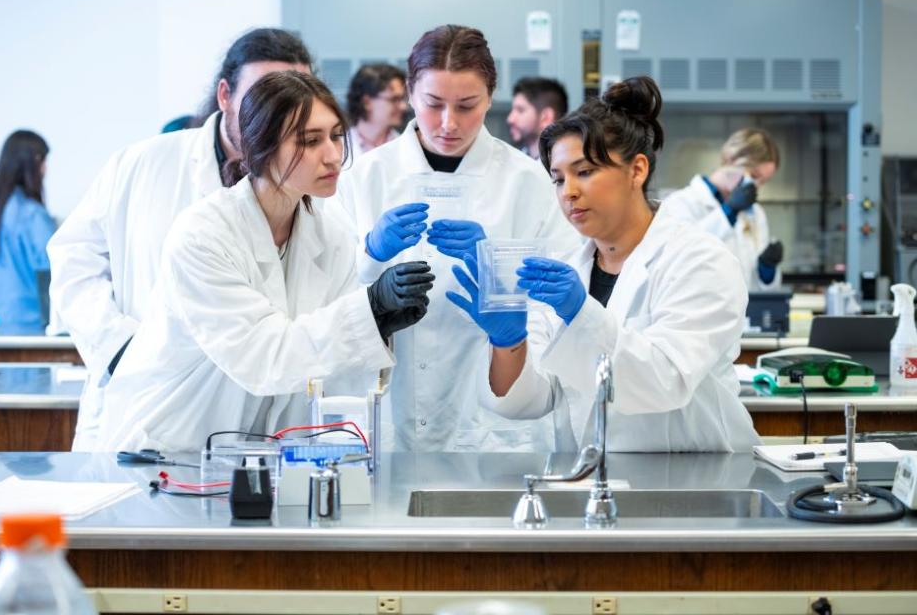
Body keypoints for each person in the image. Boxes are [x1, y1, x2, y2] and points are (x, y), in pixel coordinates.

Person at [93, 71, 434, 452]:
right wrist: (368, 309)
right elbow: (264, 358)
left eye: (336, 136)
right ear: (263, 147)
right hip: (167, 444)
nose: (333, 155)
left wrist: (379, 323)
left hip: (255, 453)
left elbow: (329, 367)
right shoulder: (204, 235)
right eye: (310, 141)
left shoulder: (331, 233)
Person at [447, 76, 760, 453]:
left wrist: (580, 314)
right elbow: (535, 398)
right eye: (558, 179)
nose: (569, 192)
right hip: (592, 479)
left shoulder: (699, 261)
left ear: (637, 170)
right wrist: (509, 343)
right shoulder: (567, 268)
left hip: (692, 480)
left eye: (585, 171)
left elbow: (665, 382)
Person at [48, 28, 313, 450]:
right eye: (261, 99)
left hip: (255, 425)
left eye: (293, 104)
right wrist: (119, 346)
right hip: (143, 418)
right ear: (225, 95)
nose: (276, 119)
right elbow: (72, 260)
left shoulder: (314, 187)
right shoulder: (143, 164)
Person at [327, 25, 579, 452]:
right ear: (409, 93)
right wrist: (369, 257)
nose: (449, 123)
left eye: (467, 106)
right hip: (389, 418)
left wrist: (498, 273)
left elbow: (559, 301)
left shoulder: (528, 183)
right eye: (433, 104)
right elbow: (323, 304)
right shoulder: (363, 179)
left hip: (491, 428)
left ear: (490, 97)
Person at [661, 128, 783, 290]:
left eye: (763, 181)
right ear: (731, 160)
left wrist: (766, 269)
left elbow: (754, 287)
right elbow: (683, 256)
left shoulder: (756, 213)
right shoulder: (681, 204)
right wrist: (728, 212)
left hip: (745, 314)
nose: (756, 187)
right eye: (753, 176)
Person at [0, 131, 56, 334]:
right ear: (34, 161)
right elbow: (57, 267)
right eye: (44, 161)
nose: (46, 170)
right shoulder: (32, 215)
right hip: (31, 329)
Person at [345, 63, 408, 162]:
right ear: (367, 102)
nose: (403, 106)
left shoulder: (407, 147)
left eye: (402, 99)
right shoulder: (340, 148)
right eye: (394, 99)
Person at [506, 77, 568, 159]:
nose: (510, 119)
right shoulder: (514, 160)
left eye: (520, 110)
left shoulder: (561, 164)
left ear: (546, 118)